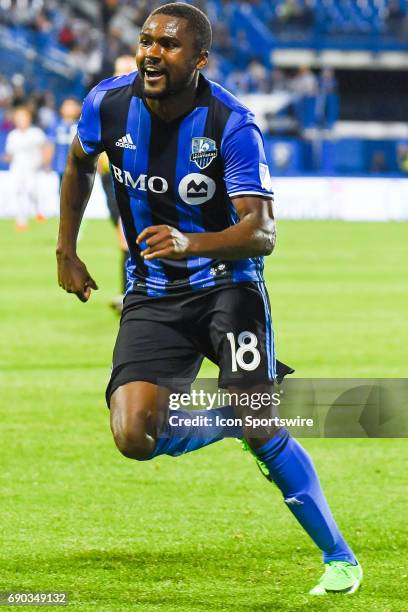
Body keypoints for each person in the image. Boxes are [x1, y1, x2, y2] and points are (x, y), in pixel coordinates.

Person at [56, 3, 363, 596]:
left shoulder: (231, 123)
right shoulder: (108, 104)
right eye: (146, 40)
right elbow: (77, 165)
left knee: (262, 425)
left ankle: (340, 558)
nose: (151, 52)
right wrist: (65, 250)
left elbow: (263, 232)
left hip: (230, 286)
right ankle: (232, 419)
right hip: (153, 292)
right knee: (133, 435)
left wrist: (190, 240)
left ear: (199, 59)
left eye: (169, 45)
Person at [97, 54, 136, 313]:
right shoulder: (105, 101)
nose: (124, 74)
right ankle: (130, 293)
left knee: (129, 237)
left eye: (129, 69)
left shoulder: (146, 102)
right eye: (120, 69)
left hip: (134, 177)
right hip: (109, 177)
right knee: (126, 238)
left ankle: (130, 294)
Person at [5, 105, 49, 231]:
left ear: (29, 118)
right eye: (18, 118)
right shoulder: (13, 135)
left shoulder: (36, 133)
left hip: (33, 168)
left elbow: (46, 147)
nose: (21, 120)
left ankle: (39, 211)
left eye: (23, 117)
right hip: (17, 168)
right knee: (17, 192)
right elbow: (9, 154)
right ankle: (21, 221)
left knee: (32, 190)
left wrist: (45, 163)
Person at [47, 97, 82, 185]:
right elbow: (50, 145)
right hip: (59, 167)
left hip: (79, 168)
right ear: (61, 109)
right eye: (67, 105)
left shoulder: (82, 126)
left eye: (72, 105)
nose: (69, 108)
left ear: (78, 109)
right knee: (61, 194)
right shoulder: (55, 125)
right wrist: (47, 163)